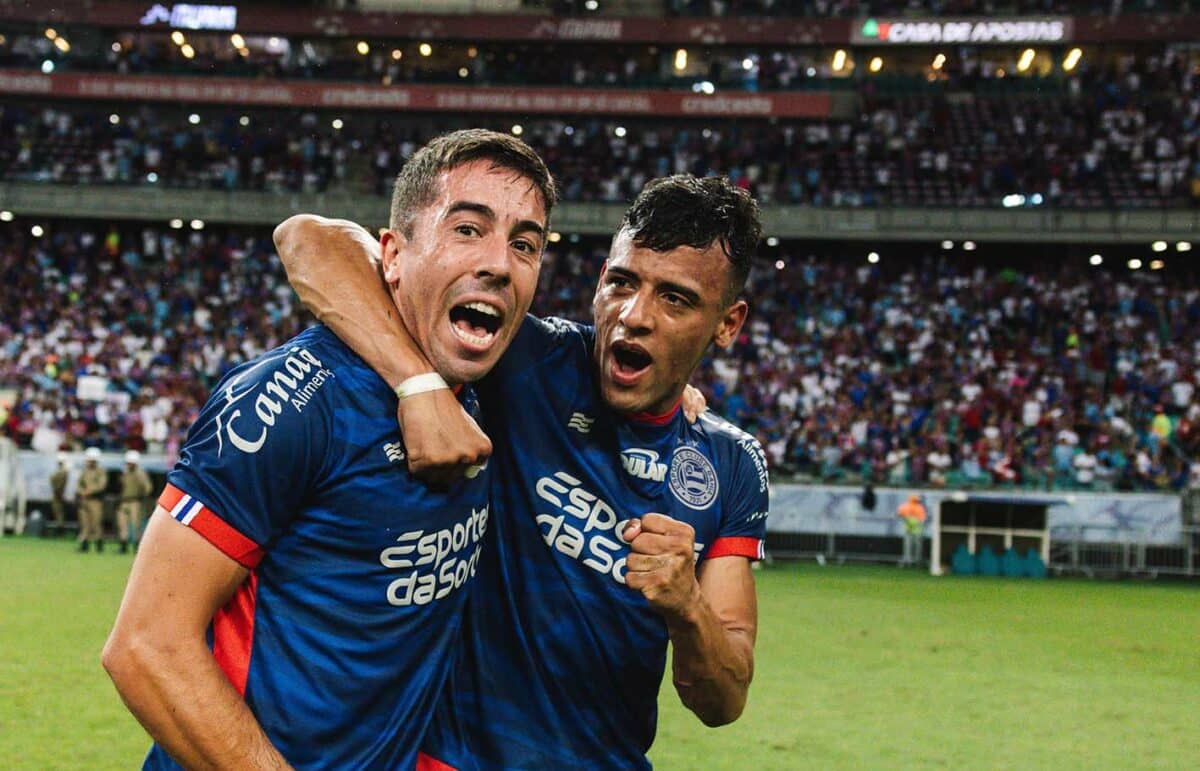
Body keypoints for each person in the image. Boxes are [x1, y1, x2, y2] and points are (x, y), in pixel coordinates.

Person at [275, 174, 769, 768]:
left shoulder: (732, 464)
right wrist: (420, 383)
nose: (634, 317)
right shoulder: (529, 364)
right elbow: (307, 239)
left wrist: (687, 606)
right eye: (621, 283)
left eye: (676, 299)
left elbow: (725, 699)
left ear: (728, 323)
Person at [102, 129, 557, 769]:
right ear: (391, 255)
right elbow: (146, 648)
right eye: (466, 229)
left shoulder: (497, 386)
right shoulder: (293, 402)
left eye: (525, 244)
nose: (499, 263)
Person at [116, 450, 153, 553]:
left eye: (130, 463)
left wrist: (141, 497)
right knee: (122, 524)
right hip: (123, 501)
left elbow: (148, 488)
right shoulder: (125, 473)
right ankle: (123, 545)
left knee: (136, 525)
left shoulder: (140, 474)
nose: (128, 465)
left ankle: (137, 546)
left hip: (135, 501)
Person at [76, 447, 108, 553]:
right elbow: (79, 484)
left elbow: (101, 485)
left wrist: (89, 491)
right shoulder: (84, 471)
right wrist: (81, 491)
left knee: (96, 523)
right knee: (85, 523)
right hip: (84, 500)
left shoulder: (101, 472)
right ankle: (85, 545)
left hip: (95, 501)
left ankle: (99, 545)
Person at [897, 493, 927, 567]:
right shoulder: (909, 506)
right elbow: (899, 514)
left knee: (912, 546)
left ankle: (914, 561)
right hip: (912, 529)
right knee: (911, 546)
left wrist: (909, 518)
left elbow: (922, 519)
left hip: (914, 529)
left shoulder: (917, 507)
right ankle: (911, 561)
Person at [49, 452, 69, 535]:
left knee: (59, 514)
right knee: (58, 514)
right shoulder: (61, 471)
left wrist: (58, 492)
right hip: (57, 494)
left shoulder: (63, 472)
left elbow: (59, 485)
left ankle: (60, 532)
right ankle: (60, 530)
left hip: (58, 495)